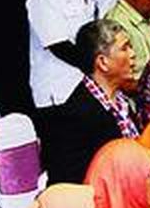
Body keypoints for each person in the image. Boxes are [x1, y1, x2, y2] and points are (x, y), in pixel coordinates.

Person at [48, 19, 139, 185]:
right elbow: (69, 181)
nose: (133, 54)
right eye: (125, 48)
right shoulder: (75, 116)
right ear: (103, 62)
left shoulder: (121, 101)